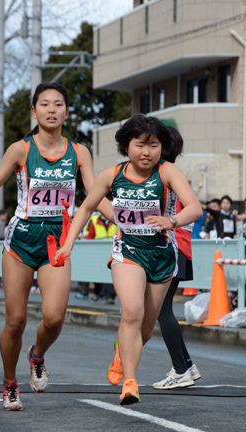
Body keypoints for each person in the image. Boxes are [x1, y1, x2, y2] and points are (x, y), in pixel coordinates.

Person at [0, 81, 113, 411]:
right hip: (22, 239)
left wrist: (124, 220)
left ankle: (36, 355)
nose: (51, 110)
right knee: (16, 321)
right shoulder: (20, 150)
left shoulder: (80, 152)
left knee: (53, 318)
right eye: (44, 104)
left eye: (57, 104)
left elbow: (93, 196)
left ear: (66, 112)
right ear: (34, 111)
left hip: (59, 240)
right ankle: (10, 383)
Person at [54, 115, 202, 405]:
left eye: (153, 145)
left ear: (162, 147)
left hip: (161, 256)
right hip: (127, 252)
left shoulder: (168, 172)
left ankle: (122, 352)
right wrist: (67, 243)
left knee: (145, 329)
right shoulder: (111, 175)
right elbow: (86, 208)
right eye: (140, 145)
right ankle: (130, 384)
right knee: (131, 312)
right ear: (126, 145)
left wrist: (170, 220)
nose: (146, 152)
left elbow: (195, 208)